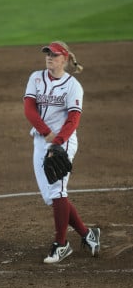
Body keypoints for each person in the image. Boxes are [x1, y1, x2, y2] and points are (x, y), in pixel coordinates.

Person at [23, 41, 100, 264]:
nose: (49, 57)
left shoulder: (73, 86)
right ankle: (87, 234)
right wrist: (45, 132)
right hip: (41, 140)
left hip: (63, 142)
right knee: (51, 196)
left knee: (57, 190)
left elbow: (73, 119)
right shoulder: (35, 78)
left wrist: (56, 142)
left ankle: (61, 244)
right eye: (47, 54)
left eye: (54, 55)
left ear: (64, 59)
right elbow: (29, 109)